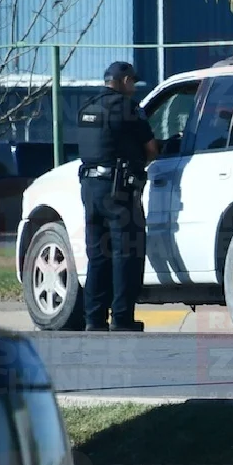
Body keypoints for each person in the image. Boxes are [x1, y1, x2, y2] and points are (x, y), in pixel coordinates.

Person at [76, 61, 158, 332]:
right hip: (118, 191)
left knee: (98, 255)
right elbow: (151, 149)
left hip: (89, 189)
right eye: (132, 82)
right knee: (126, 253)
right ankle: (122, 318)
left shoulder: (88, 108)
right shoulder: (129, 108)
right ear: (123, 81)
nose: (134, 87)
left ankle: (94, 319)